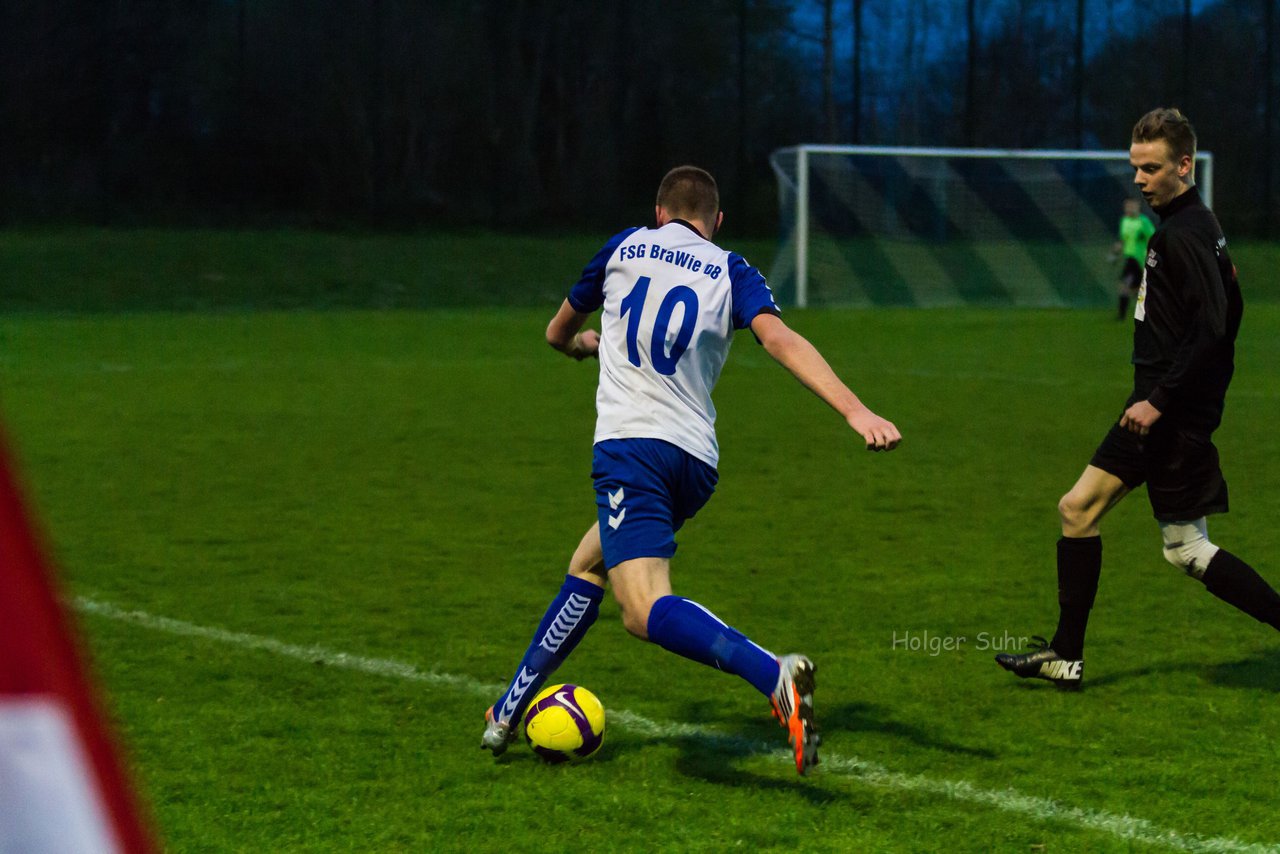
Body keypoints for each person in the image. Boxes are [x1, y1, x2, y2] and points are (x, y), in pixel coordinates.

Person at [480, 165, 901, 773]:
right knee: (588, 566)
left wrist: (579, 346)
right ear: (716, 221)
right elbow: (781, 341)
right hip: (693, 463)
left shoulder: (624, 247)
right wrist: (855, 410)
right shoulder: (731, 269)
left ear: (659, 212)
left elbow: (556, 332)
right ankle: (508, 710)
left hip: (632, 450)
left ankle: (774, 676)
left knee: (643, 609)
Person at [996, 108, 1280, 691]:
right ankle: (1065, 656)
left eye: (1151, 168)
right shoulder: (1190, 226)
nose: (1140, 179)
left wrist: (1163, 400)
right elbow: (1227, 313)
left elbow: (1215, 327)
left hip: (1165, 418)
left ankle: (1067, 654)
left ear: (1183, 165)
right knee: (1080, 511)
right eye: (1135, 168)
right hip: (1154, 410)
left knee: (1186, 549)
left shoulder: (1186, 233)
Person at [1113, 197, 1156, 321]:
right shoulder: (1124, 221)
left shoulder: (1144, 222)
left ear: (1138, 207)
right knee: (1128, 287)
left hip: (1141, 260)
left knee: (1133, 289)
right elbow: (1123, 239)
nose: (1129, 208)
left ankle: (1129, 315)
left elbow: (1153, 239)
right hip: (1130, 259)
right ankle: (1123, 316)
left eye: (1131, 206)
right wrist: (1116, 252)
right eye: (1127, 206)